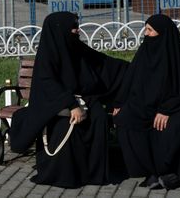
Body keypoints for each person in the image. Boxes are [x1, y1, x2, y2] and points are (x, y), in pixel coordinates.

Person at [9, 11, 128, 188]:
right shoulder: (48, 55)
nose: (77, 31)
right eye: (73, 27)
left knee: (99, 118)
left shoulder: (76, 48)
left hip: (84, 99)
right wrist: (71, 105)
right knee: (64, 126)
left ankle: (93, 173)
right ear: (60, 29)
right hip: (55, 107)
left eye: (77, 26)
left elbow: (104, 65)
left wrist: (137, 69)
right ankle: (67, 174)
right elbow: (49, 84)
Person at [113, 13, 180, 190]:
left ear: (162, 33)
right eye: (145, 30)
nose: (146, 34)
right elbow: (131, 79)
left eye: (150, 30)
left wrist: (166, 109)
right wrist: (119, 103)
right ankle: (151, 170)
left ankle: (176, 173)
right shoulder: (145, 52)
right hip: (147, 105)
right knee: (125, 119)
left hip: (179, 106)